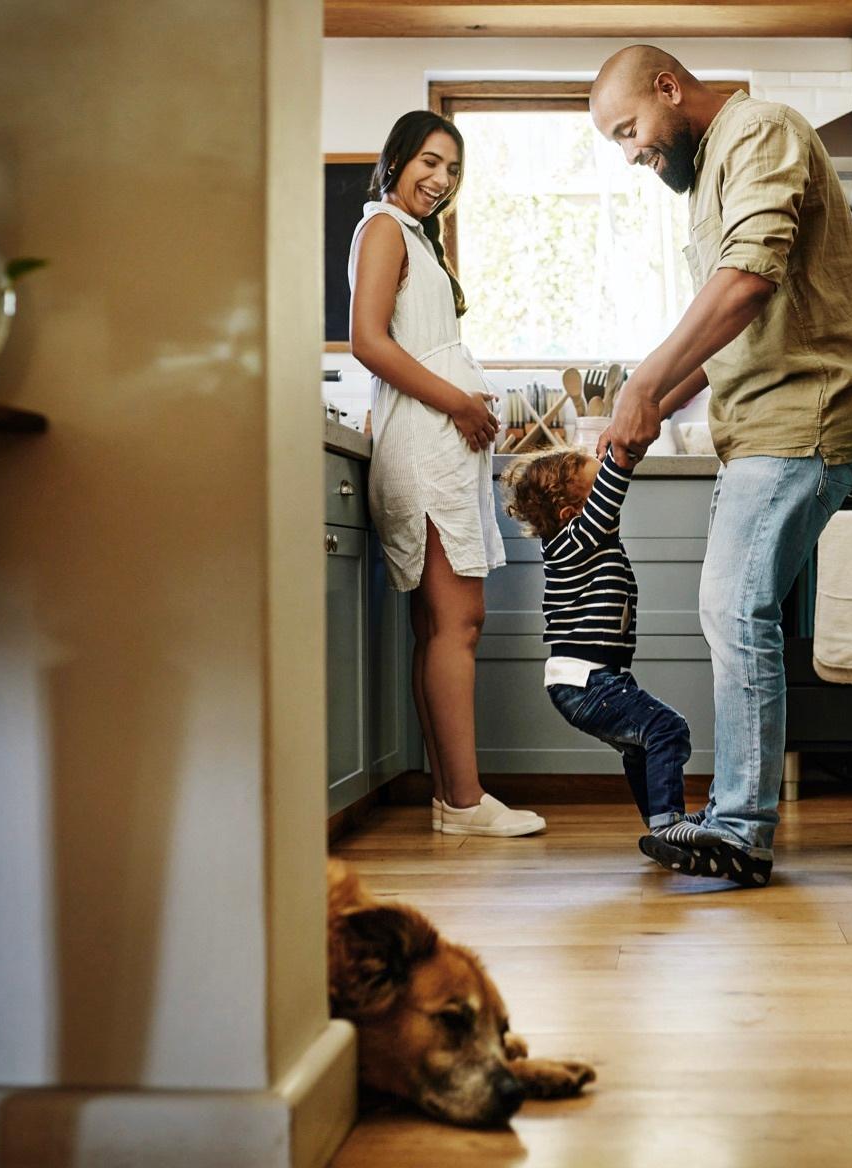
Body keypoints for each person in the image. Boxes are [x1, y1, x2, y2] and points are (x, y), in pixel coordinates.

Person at [589, 46, 852, 885]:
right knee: (733, 610)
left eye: (630, 130)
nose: (633, 153)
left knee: (731, 607)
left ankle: (742, 829)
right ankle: (737, 820)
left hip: (804, 420)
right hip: (757, 427)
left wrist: (646, 381)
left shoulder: (759, 130)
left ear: (669, 88)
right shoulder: (712, 166)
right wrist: (652, 407)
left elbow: (748, 280)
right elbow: (730, 325)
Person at [349, 110, 544, 837]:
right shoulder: (383, 231)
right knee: (459, 622)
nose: (440, 180)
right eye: (429, 162)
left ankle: (450, 800)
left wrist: (467, 401)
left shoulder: (414, 239)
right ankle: (464, 803)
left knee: (439, 624)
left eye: (453, 170)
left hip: (434, 443)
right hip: (427, 448)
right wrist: (459, 402)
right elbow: (368, 340)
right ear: (396, 159)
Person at [500, 445, 697, 849]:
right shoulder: (575, 539)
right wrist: (623, 455)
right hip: (587, 680)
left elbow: (604, 500)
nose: (610, 510)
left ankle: (661, 823)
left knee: (639, 746)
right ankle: (668, 824)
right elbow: (611, 495)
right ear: (572, 515)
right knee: (666, 728)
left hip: (594, 679)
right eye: (596, 493)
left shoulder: (577, 544)